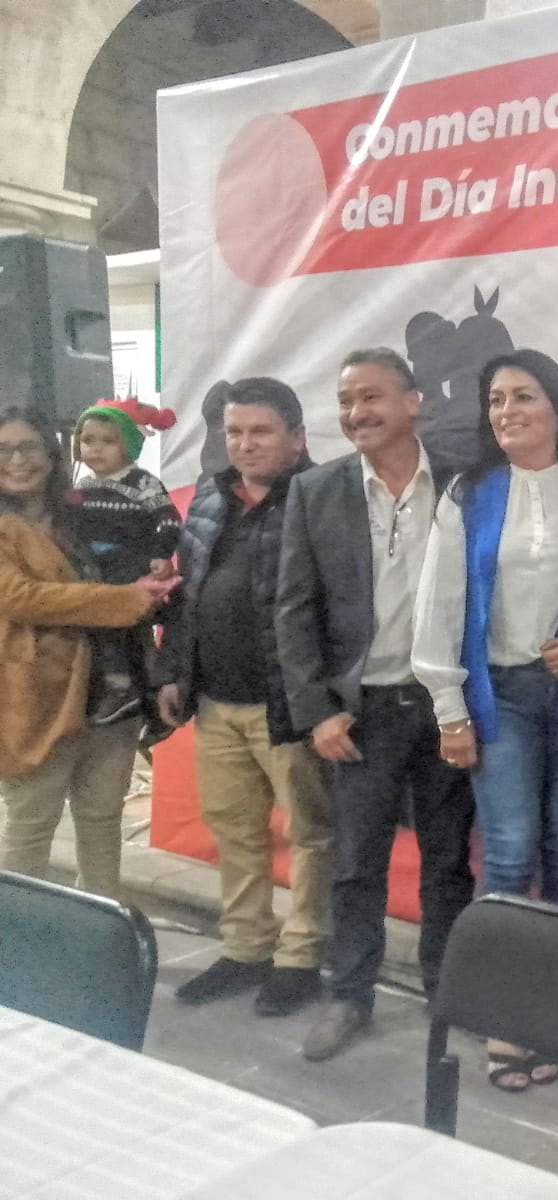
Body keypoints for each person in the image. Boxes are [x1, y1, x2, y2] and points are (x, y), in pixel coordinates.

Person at [413, 348, 558, 1090]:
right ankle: (506, 1012)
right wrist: (448, 708)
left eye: (522, 397)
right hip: (498, 695)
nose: (506, 411)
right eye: (496, 400)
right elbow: (439, 604)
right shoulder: (469, 494)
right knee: (509, 854)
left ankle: (557, 1010)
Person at [276, 348, 476, 1062]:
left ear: (413, 401)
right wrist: (318, 712)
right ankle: (349, 995)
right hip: (360, 714)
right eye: (346, 401)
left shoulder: (463, 482)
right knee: (358, 863)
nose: (356, 413)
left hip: (447, 705)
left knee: (449, 860)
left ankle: (444, 994)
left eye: (371, 398)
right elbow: (293, 612)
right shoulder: (318, 492)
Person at [157, 378, 334, 1018]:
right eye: (235, 432)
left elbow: (342, 610)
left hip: (289, 707)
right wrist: (173, 672)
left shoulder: (324, 497)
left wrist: (325, 703)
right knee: (236, 833)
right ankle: (245, 949)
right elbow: (186, 594)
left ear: (297, 437)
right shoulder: (211, 495)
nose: (245, 444)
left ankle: (302, 957)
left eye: (260, 432)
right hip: (217, 703)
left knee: (312, 836)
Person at [0, 406, 175, 896]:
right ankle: (17, 952)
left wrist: (153, 576)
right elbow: (21, 598)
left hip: (113, 694)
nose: (18, 460)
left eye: (29, 447)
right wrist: (124, 600)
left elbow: (135, 557)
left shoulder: (77, 513)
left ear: (52, 456)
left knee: (101, 820)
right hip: (36, 702)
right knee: (31, 825)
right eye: (4, 450)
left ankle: (98, 936)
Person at [61, 398, 180, 730]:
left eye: (108, 441)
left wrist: (160, 555)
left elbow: (168, 521)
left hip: (129, 571)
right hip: (89, 573)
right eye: (88, 440)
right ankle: (107, 686)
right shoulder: (80, 488)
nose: (96, 449)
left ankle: (123, 687)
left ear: (130, 444)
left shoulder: (143, 484)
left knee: (117, 627)